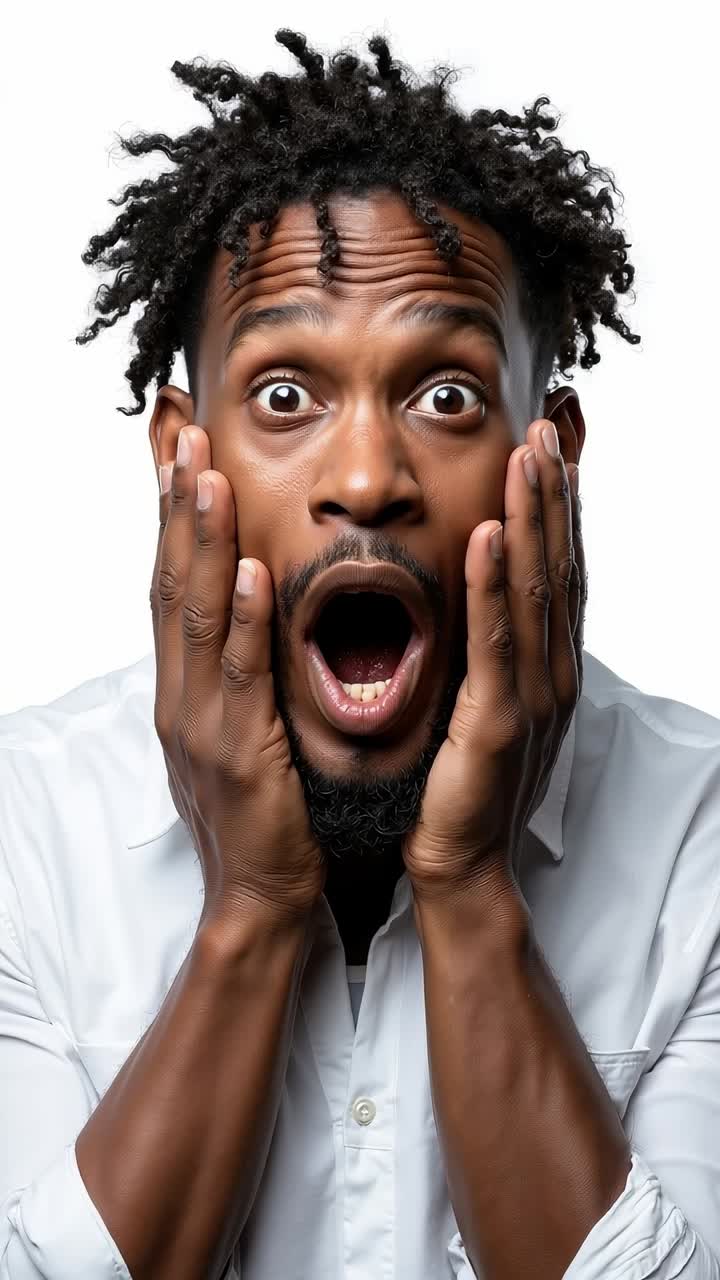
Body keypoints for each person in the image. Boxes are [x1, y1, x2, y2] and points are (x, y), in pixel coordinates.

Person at [0, 26, 718, 1280]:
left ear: (549, 453)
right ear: (185, 453)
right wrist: (253, 903)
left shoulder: (697, 835)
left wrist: (472, 882)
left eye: (446, 395)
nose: (370, 476)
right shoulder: (24, 828)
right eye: (287, 394)